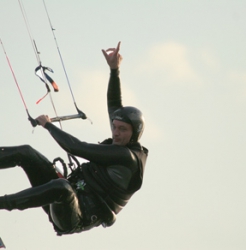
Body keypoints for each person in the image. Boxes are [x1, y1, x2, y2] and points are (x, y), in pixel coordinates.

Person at [0, 42, 148, 235]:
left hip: (75, 216)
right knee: (26, 153)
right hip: (60, 194)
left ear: (135, 133)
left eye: (123, 129)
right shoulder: (120, 137)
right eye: (115, 127)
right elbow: (114, 105)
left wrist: (48, 125)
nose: (116, 133)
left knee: (62, 187)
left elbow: (75, 147)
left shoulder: (127, 157)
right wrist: (114, 70)